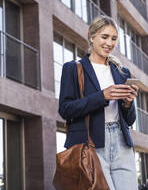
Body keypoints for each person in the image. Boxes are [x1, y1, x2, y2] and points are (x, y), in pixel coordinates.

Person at [58, 15, 139, 190]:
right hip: (91, 145)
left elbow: (130, 120)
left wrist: (127, 103)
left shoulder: (122, 72)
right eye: (104, 37)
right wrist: (102, 97)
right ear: (91, 36)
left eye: (114, 38)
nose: (109, 43)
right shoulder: (73, 68)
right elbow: (65, 109)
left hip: (122, 143)